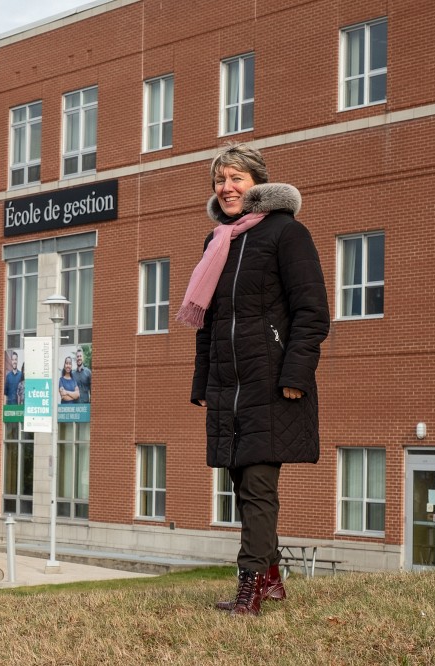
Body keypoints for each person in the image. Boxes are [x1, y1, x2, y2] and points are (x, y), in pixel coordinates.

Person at [178, 143, 329, 616]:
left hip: (272, 383)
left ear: (257, 184)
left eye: (236, 178)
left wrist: (296, 375)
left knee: (259, 488)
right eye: (220, 180)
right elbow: (210, 321)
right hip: (228, 386)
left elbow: (312, 312)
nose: (226, 188)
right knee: (242, 487)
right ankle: (272, 578)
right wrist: (202, 383)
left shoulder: (287, 233)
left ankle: (250, 587)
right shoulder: (216, 242)